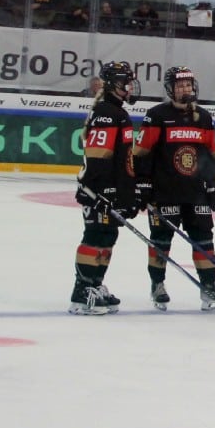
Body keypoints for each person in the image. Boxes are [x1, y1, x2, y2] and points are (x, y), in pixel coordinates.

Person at [133, 66, 215, 311]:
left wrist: (214, 185)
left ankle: (209, 286)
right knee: (161, 240)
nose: (185, 89)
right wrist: (143, 184)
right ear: (171, 89)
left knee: (204, 239)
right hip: (165, 191)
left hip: (196, 192)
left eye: (188, 84)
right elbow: (142, 153)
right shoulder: (157, 115)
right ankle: (157, 284)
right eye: (180, 86)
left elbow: (211, 155)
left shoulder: (204, 117)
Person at [68, 62, 139, 315]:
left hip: (110, 192)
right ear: (112, 85)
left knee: (108, 237)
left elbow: (123, 160)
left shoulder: (116, 111)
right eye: (125, 82)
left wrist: (128, 193)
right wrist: (103, 192)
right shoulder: (106, 113)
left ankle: (95, 285)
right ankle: (81, 292)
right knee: (95, 236)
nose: (130, 87)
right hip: (96, 191)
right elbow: (98, 157)